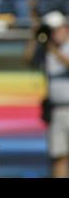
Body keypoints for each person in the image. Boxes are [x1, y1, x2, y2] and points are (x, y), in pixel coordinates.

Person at [25, 11, 69, 178]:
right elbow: (28, 60)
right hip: (56, 110)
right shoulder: (47, 50)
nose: (54, 34)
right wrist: (35, 36)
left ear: (65, 28)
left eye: (56, 30)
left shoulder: (59, 49)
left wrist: (53, 50)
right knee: (59, 156)